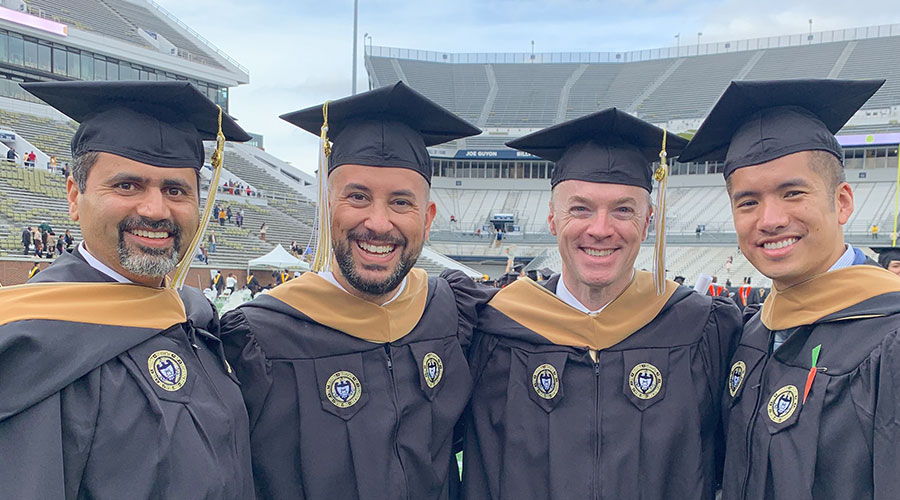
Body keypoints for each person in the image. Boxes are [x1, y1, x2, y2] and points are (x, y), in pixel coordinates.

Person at [220, 81, 487, 499]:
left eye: (401, 202)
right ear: (327, 206)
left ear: (428, 217)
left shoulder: (450, 312)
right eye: (358, 196)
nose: (379, 223)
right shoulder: (259, 338)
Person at [463, 108, 742, 500]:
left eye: (623, 210)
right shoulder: (491, 330)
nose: (600, 229)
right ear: (552, 220)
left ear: (649, 222)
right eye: (580, 208)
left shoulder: (703, 329)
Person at [0, 80, 255, 499]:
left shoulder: (196, 318)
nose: (155, 210)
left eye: (175, 190)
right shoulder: (30, 342)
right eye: (126, 186)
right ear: (74, 195)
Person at [679, 78, 899, 500]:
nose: (770, 219)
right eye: (748, 202)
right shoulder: (752, 334)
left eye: (792, 192)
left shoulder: (889, 341)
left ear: (842, 202)